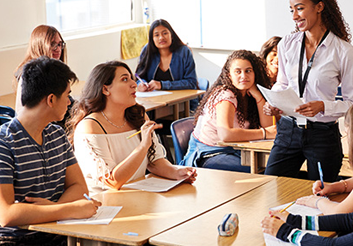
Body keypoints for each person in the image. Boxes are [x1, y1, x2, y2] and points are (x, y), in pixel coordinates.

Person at [0, 56, 101, 246]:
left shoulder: (56, 135)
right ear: (50, 99)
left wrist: (55, 208)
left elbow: (79, 186)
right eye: (67, 95)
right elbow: (7, 215)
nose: (70, 102)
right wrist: (69, 210)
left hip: (48, 237)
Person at [264, 0, 353, 181]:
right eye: (291, 10)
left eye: (300, 8)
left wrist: (323, 106)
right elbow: (282, 84)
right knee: (271, 188)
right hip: (288, 131)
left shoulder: (343, 51)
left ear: (319, 7)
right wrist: (273, 102)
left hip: (322, 136)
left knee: (321, 196)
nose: (295, 16)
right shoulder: (287, 44)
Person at [70, 61, 197, 191]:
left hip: (135, 193)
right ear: (105, 89)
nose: (133, 84)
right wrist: (142, 147)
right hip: (104, 201)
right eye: (125, 79)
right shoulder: (90, 126)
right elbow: (112, 182)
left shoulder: (138, 117)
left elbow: (154, 161)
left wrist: (176, 172)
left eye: (132, 79)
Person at [181, 50, 276, 172]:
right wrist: (264, 133)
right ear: (229, 75)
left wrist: (258, 96)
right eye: (238, 72)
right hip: (208, 155)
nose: (243, 76)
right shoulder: (226, 95)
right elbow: (225, 135)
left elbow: (268, 126)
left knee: (272, 164)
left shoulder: (249, 94)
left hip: (233, 150)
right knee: (259, 169)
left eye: (248, 71)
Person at [14, 24, 71, 128]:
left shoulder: (55, 71)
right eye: (53, 44)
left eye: (60, 44)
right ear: (40, 45)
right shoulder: (30, 74)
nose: (58, 49)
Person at [135, 19, 197, 92]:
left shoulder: (184, 52)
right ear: (152, 39)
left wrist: (161, 85)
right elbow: (139, 77)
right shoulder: (147, 51)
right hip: (154, 100)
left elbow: (191, 83)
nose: (161, 38)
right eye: (156, 35)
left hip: (182, 101)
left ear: (172, 35)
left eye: (165, 33)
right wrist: (141, 84)